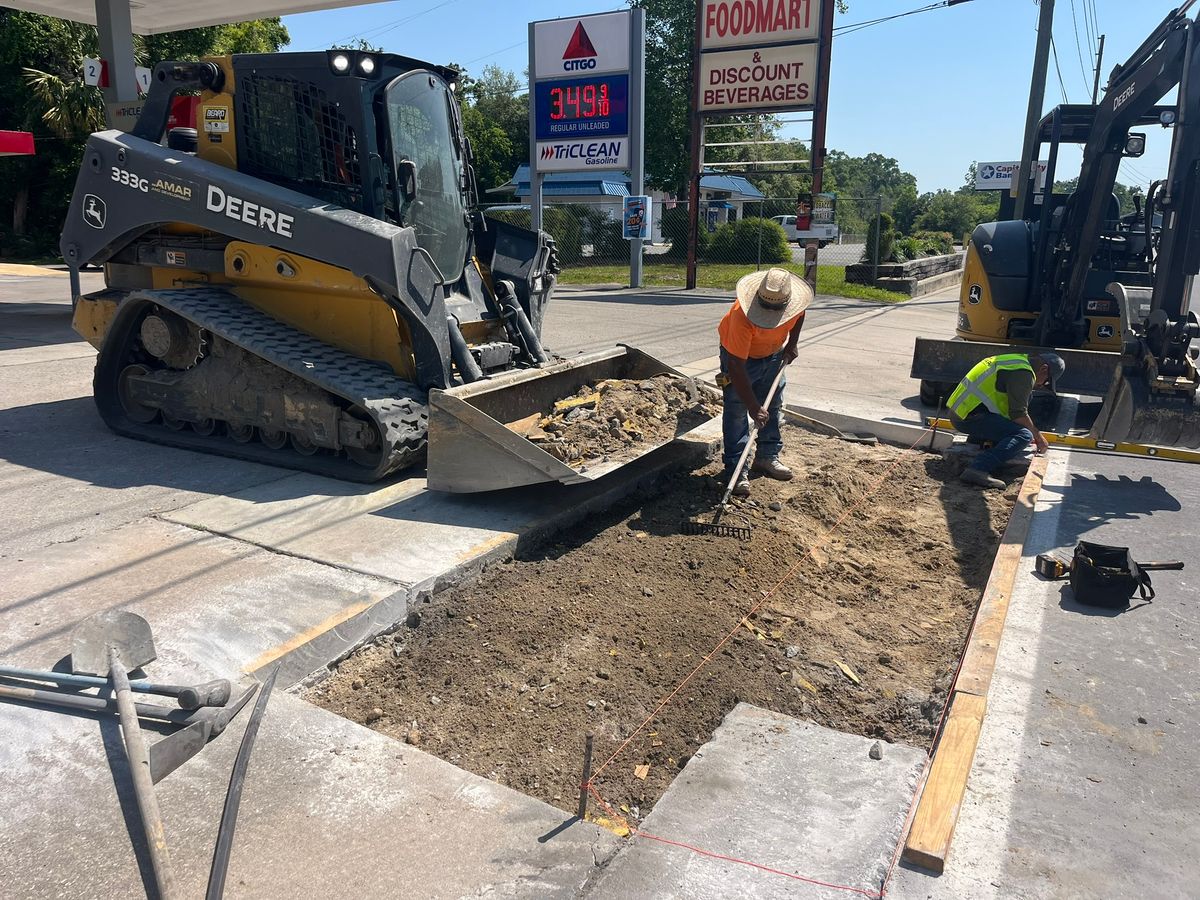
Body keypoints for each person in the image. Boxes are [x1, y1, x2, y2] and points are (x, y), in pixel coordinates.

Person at [717, 267, 812, 497]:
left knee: (773, 404)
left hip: (774, 354)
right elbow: (736, 368)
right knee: (737, 410)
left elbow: (800, 316)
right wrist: (753, 406)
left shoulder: (792, 305)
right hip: (742, 360)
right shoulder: (741, 317)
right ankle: (736, 469)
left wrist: (792, 344)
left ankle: (767, 456)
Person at [947, 351, 1066, 488]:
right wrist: (1038, 436)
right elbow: (1018, 414)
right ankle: (978, 469)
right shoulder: (1023, 373)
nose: (1041, 386)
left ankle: (978, 438)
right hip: (968, 418)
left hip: (963, 412)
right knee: (1023, 435)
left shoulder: (1016, 361)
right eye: (1046, 382)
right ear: (1043, 369)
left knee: (1027, 401)